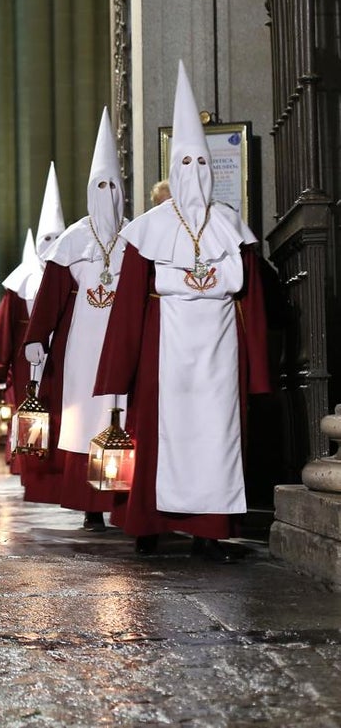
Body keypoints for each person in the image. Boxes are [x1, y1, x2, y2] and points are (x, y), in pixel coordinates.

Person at [94, 62, 270, 560]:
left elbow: (250, 303)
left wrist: (257, 372)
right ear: (173, 168)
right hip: (161, 348)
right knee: (154, 436)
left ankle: (208, 532)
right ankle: (147, 526)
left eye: (201, 163)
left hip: (219, 348)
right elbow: (128, 305)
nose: (193, 172)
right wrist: (118, 370)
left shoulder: (231, 225)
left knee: (218, 437)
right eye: (184, 163)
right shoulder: (148, 230)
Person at [22, 109, 128, 529]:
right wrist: (36, 336)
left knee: (120, 414)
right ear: (89, 190)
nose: (107, 194)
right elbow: (49, 296)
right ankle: (89, 506)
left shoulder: (136, 237)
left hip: (121, 340)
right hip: (82, 342)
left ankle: (121, 497)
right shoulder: (73, 240)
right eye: (99, 185)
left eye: (113, 186)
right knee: (85, 417)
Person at [0, 165, 64, 475]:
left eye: (58, 236)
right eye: (47, 237)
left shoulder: (72, 272)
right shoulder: (20, 282)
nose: (52, 243)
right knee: (26, 408)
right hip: (26, 359)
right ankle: (25, 459)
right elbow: (4, 328)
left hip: (61, 352)